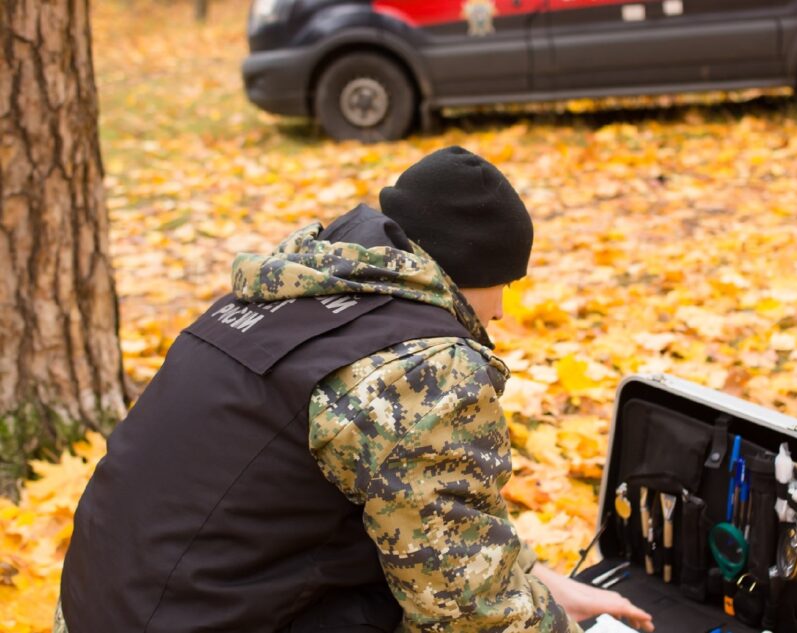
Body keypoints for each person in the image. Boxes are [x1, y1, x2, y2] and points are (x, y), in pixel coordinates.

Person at [56, 146, 653, 633]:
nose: (499, 313)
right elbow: (473, 617)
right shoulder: (419, 370)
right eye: (504, 286)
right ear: (467, 271)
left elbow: (429, 522)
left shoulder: (282, 298)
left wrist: (543, 583)